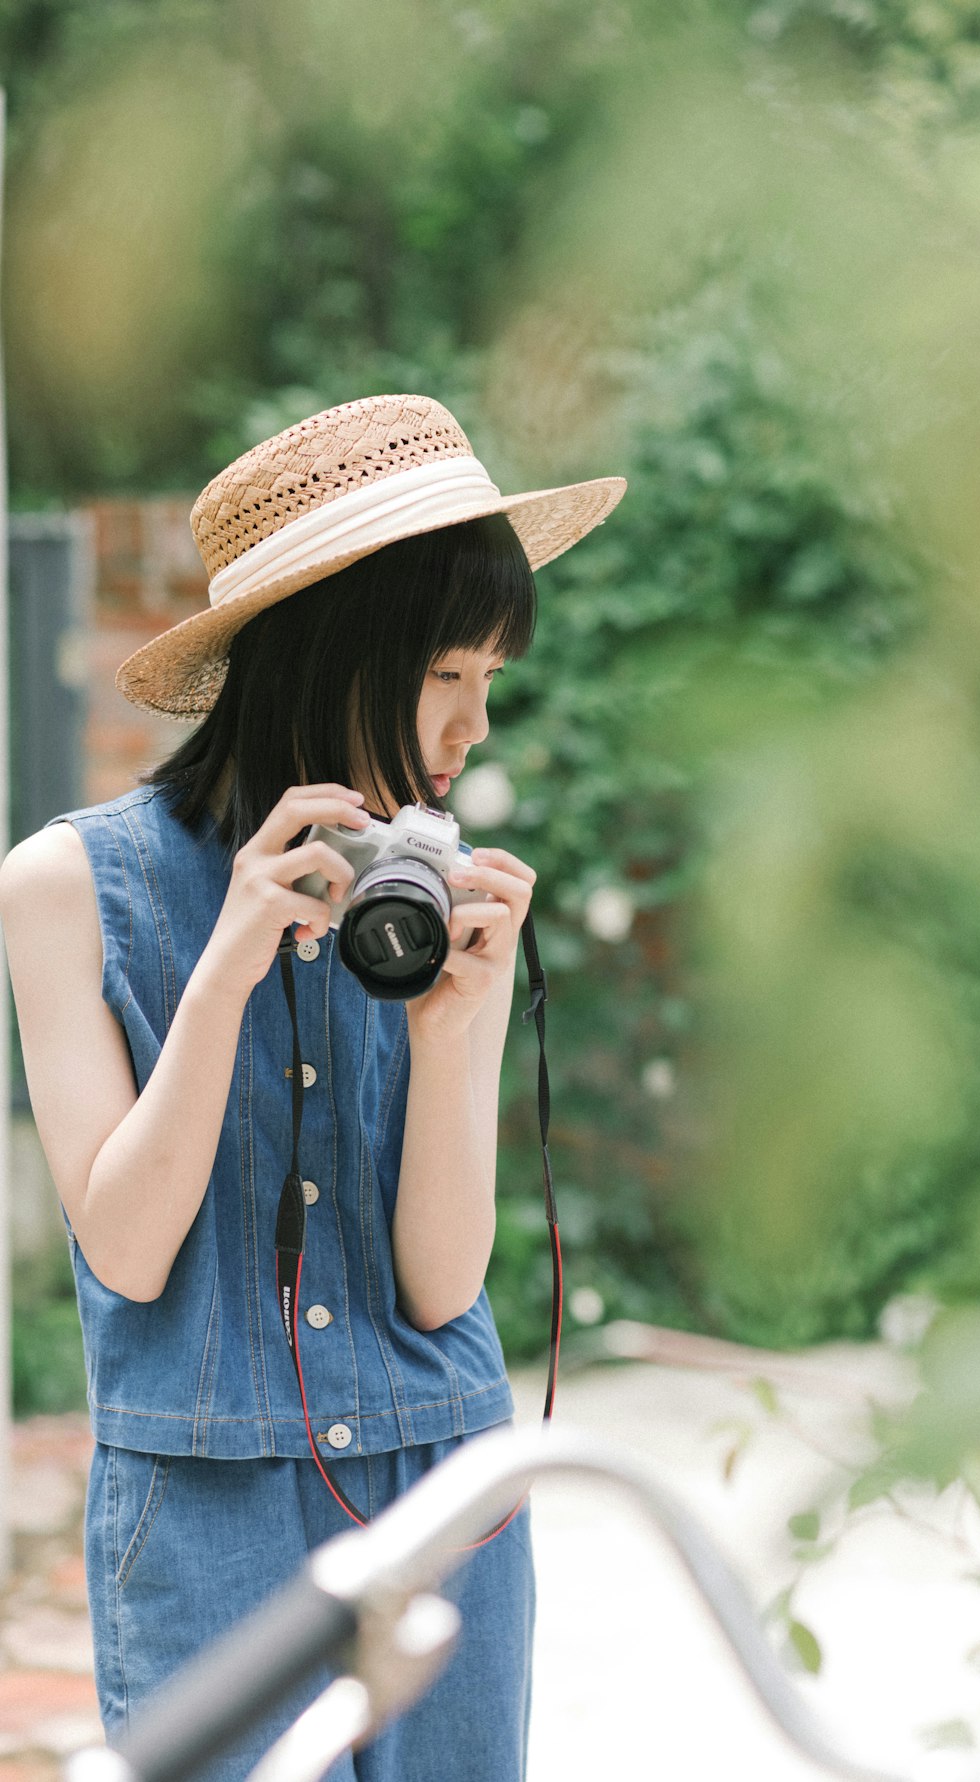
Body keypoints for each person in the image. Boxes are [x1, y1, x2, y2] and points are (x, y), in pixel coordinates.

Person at [0, 393, 625, 1781]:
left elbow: (441, 1285)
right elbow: (127, 1243)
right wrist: (222, 970)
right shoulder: (65, 889)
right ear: (338, 647)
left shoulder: (426, 892)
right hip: (204, 1515)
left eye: (490, 679)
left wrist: (456, 1028)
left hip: (441, 1491)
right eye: (446, 671)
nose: (472, 723)